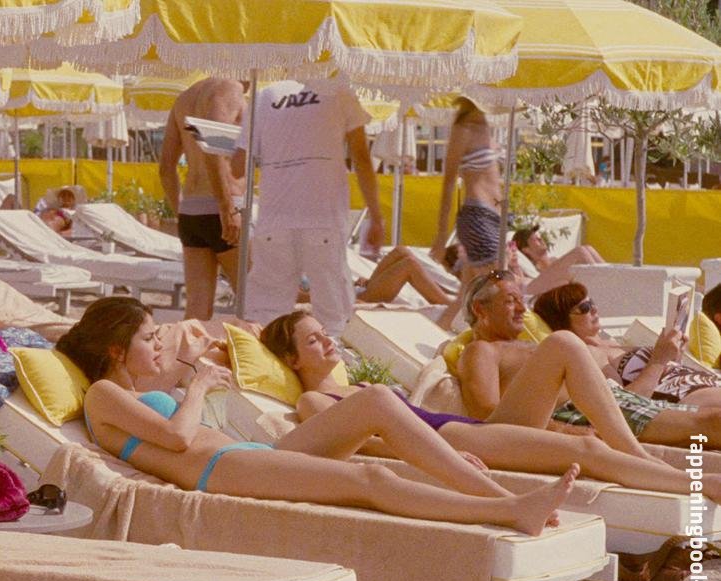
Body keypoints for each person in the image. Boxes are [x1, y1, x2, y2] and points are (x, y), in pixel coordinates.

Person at [62, 296, 576, 537]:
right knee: (370, 480)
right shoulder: (103, 395)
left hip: (251, 457)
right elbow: (176, 438)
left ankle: (500, 496)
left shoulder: (136, 391)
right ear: (115, 349)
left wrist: (199, 361)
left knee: (377, 401)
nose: (159, 345)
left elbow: (179, 407)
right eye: (149, 338)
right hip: (222, 471)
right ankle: (507, 512)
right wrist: (196, 385)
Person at [260, 309, 720, 501]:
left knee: (563, 343)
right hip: (453, 438)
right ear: (291, 360)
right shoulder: (314, 399)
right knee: (588, 451)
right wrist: (443, 457)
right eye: (312, 340)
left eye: (325, 333)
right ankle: (697, 485)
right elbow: (363, 446)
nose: (327, 341)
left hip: (470, 429)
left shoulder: (361, 384)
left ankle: (636, 454)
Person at [458, 271, 721, 451]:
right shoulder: (480, 351)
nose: (521, 309)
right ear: (480, 309)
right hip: (577, 412)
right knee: (711, 424)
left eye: (521, 301)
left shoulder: (527, 346)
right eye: (510, 301)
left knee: (711, 420)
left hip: (605, 400)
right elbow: (486, 414)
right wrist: (565, 431)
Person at [232, 82, 385, 335]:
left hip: (274, 220)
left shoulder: (264, 95)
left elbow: (238, 165)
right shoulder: (339, 90)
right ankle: (332, 357)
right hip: (323, 218)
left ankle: (263, 358)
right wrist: (376, 217)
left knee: (264, 317)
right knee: (334, 318)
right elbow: (361, 158)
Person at [532, 282, 721, 408]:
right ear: (561, 321)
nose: (594, 309)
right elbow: (624, 405)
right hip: (687, 393)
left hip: (701, 381)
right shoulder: (589, 355)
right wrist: (659, 360)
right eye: (584, 308)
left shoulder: (613, 343)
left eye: (592, 302)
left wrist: (674, 354)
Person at [160, 77, 248, 320]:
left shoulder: (185, 97)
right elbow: (212, 147)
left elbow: (166, 167)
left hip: (192, 210)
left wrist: (181, 212)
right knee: (254, 301)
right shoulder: (230, 89)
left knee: (197, 310)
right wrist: (227, 207)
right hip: (223, 208)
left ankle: (188, 348)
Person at [430, 98, 505, 328]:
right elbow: (448, 183)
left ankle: (438, 331)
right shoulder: (463, 129)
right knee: (497, 286)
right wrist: (442, 235)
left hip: (493, 218)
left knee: (468, 291)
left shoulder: (485, 126)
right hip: (477, 216)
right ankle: (495, 340)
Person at [299, 245, 453, 306]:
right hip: (356, 299)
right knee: (408, 264)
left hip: (354, 290)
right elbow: (298, 297)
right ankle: (448, 305)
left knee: (401, 251)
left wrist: (353, 283)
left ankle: (441, 295)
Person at [512, 226, 604, 296]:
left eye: (539, 237)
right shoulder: (530, 269)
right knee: (580, 252)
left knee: (588, 248)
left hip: (558, 287)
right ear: (526, 249)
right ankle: (607, 283)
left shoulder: (556, 261)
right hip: (537, 289)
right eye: (536, 239)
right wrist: (514, 263)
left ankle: (609, 277)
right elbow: (518, 281)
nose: (541, 239)